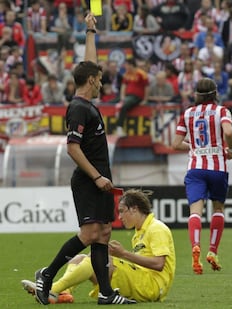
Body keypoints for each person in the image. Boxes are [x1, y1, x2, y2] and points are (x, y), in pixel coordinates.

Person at [28, 13, 136, 305]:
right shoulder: (78, 108)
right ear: (91, 81)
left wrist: (90, 32)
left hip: (99, 179)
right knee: (89, 234)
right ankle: (47, 275)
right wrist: (97, 176)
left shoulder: (86, 102)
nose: (102, 82)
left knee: (102, 233)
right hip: (89, 180)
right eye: (99, 79)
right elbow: (72, 148)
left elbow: (90, 66)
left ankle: (106, 294)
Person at [21, 189, 176, 304]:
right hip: (140, 280)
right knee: (80, 258)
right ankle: (64, 293)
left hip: (152, 287)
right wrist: (122, 255)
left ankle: (52, 289)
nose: (120, 217)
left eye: (122, 211)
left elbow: (159, 264)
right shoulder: (140, 231)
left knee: (100, 259)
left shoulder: (156, 228)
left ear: (134, 208)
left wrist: (123, 254)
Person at [172, 77, 232, 275]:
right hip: (217, 167)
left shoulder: (188, 113)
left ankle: (195, 246)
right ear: (215, 93)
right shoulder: (222, 111)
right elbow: (228, 131)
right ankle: (213, 251)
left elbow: (175, 143)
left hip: (196, 168)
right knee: (218, 208)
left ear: (196, 94)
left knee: (195, 211)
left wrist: (195, 147)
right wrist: (230, 148)